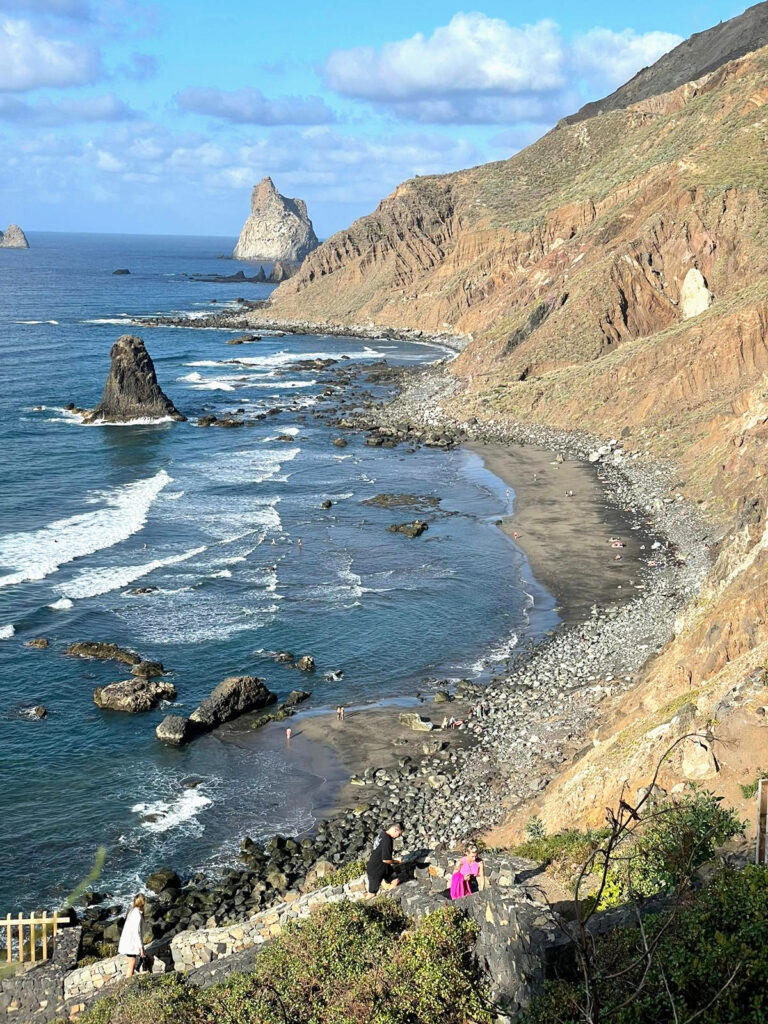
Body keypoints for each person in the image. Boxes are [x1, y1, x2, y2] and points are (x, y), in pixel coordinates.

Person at [366, 822, 403, 897]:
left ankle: (390, 895)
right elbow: (386, 860)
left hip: (385, 867)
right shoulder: (387, 840)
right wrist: (397, 861)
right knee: (372, 894)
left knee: (395, 880)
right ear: (395, 830)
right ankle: (365, 904)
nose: (398, 836)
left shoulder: (382, 834)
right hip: (376, 870)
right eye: (399, 834)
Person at [118, 894, 146, 977]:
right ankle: (128, 984)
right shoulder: (137, 914)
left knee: (131, 962)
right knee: (132, 964)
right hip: (131, 944)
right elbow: (137, 932)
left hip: (127, 942)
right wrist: (141, 948)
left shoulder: (132, 911)